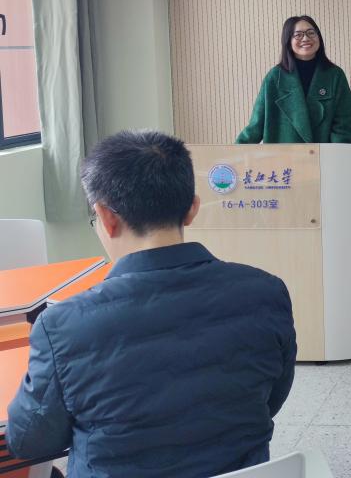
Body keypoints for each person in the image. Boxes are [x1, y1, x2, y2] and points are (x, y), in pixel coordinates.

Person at [6, 131, 297, 478]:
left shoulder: (63, 327)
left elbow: (29, 441)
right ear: (192, 209)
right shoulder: (266, 292)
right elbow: (270, 399)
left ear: (106, 217)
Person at [237, 15, 351, 144]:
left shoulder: (334, 75)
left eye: (311, 33)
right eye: (298, 35)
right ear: (288, 41)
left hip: (323, 155)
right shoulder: (275, 77)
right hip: (283, 156)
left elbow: (345, 124)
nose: (306, 38)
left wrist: (335, 153)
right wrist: (232, 152)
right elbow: (256, 125)